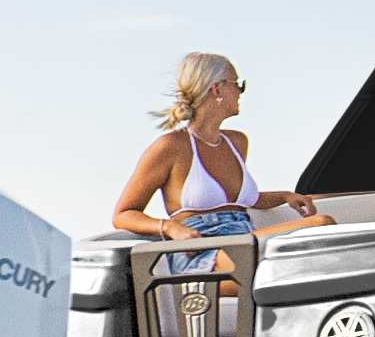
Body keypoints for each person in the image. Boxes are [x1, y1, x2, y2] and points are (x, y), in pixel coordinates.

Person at [111, 53, 330, 248]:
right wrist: (169, 228)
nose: (240, 92)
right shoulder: (170, 146)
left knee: (322, 225)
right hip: (201, 249)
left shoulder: (237, 142)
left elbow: (240, 200)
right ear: (217, 88)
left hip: (244, 241)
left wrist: (285, 196)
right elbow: (124, 214)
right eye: (238, 85)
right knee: (315, 230)